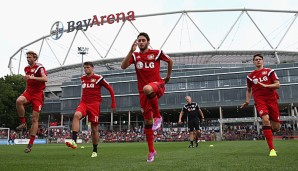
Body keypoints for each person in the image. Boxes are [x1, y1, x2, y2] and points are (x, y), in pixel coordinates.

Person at [121, 32, 173, 162]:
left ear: (148, 42)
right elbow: (123, 66)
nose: (141, 42)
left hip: (157, 85)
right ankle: (151, 151)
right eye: (139, 40)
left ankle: (158, 116)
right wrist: (130, 51)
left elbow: (170, 60)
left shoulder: (156, 53)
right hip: (143, 94)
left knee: (147, 88)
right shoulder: (135, 56)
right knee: (147, 123)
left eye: (143, 40)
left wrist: (167, 77)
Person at [66, 61, 116, 158]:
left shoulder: (99, 78)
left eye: (88, 67)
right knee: (76, 115)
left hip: (94, 105)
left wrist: (113, 103)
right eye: (84, 67)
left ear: (92, 68)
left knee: (94, 129)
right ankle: (74, 141)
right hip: (84, 103)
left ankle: (95, 150)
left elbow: (110, 88)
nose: (86, 69)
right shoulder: (83, 78)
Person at [241, 54, 280, 157]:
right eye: (256, 60)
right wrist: (247, 101)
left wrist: (265, 85)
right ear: (253, 62)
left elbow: (277, 85)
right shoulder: (250, 76)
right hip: (260, 101)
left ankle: (268, 131)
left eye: (260, 59)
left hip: (272, 100)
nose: (258, 61)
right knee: (265, 119)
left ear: (263, 61)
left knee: (276, 127)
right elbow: (249, 90)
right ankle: (272, 149)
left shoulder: (269, 72)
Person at [16, 50, 48, 153]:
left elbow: (45, 78)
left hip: (38, 94)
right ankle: (23, 123)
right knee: (19, 100)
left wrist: (32, 77)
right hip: (29, 92)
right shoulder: (26, 68)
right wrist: (25, 91)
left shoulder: (40, 67)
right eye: (27, 58)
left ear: (35, 58)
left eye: (30, 57)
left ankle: (30, 144)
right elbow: (28, 81)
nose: (28, 59)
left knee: (35, 119)